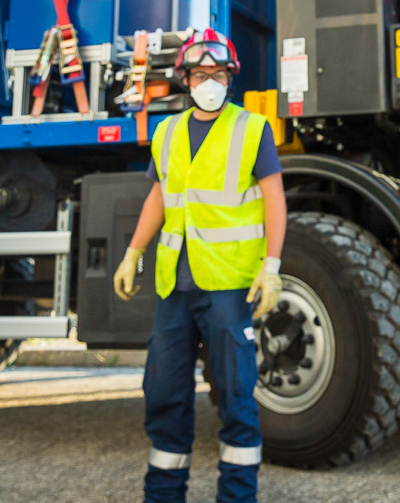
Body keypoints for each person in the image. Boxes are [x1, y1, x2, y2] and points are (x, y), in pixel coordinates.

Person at [113, 28, 286, 503]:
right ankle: (163, 495)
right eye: (199, 74)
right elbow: (159, 196)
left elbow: (274, 198)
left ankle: (237, 496)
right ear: (185, 79)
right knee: (163, 394)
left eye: (218, 73)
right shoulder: (167, 132)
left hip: (228, 284)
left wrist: (271, 265)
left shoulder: (252, 128)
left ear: (231, 77)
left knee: (235, 395)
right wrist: (133, 252)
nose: (209, 82)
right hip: (175, 285)